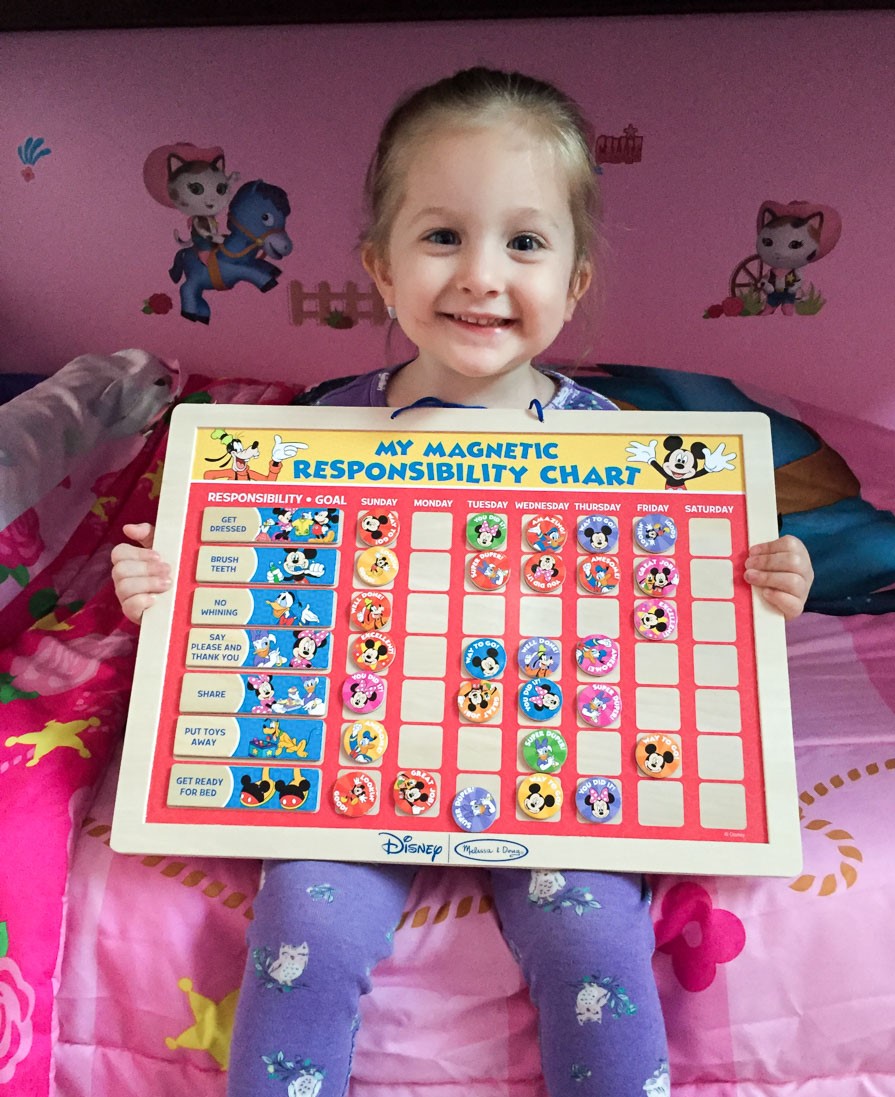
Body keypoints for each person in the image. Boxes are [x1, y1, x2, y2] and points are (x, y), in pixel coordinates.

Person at [111, 67, 814, 1097]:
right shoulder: (312, 430)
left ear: (574, 282)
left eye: (524, 242)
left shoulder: (615, 445)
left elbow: (667, 611)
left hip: (560, 762)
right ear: (379, 270)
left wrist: (763, 580)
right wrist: (165, 587)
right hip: (352, 755)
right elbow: (248, 593)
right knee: (301, 925)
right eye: (442, 236)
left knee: (596, 948)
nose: (483, 275)